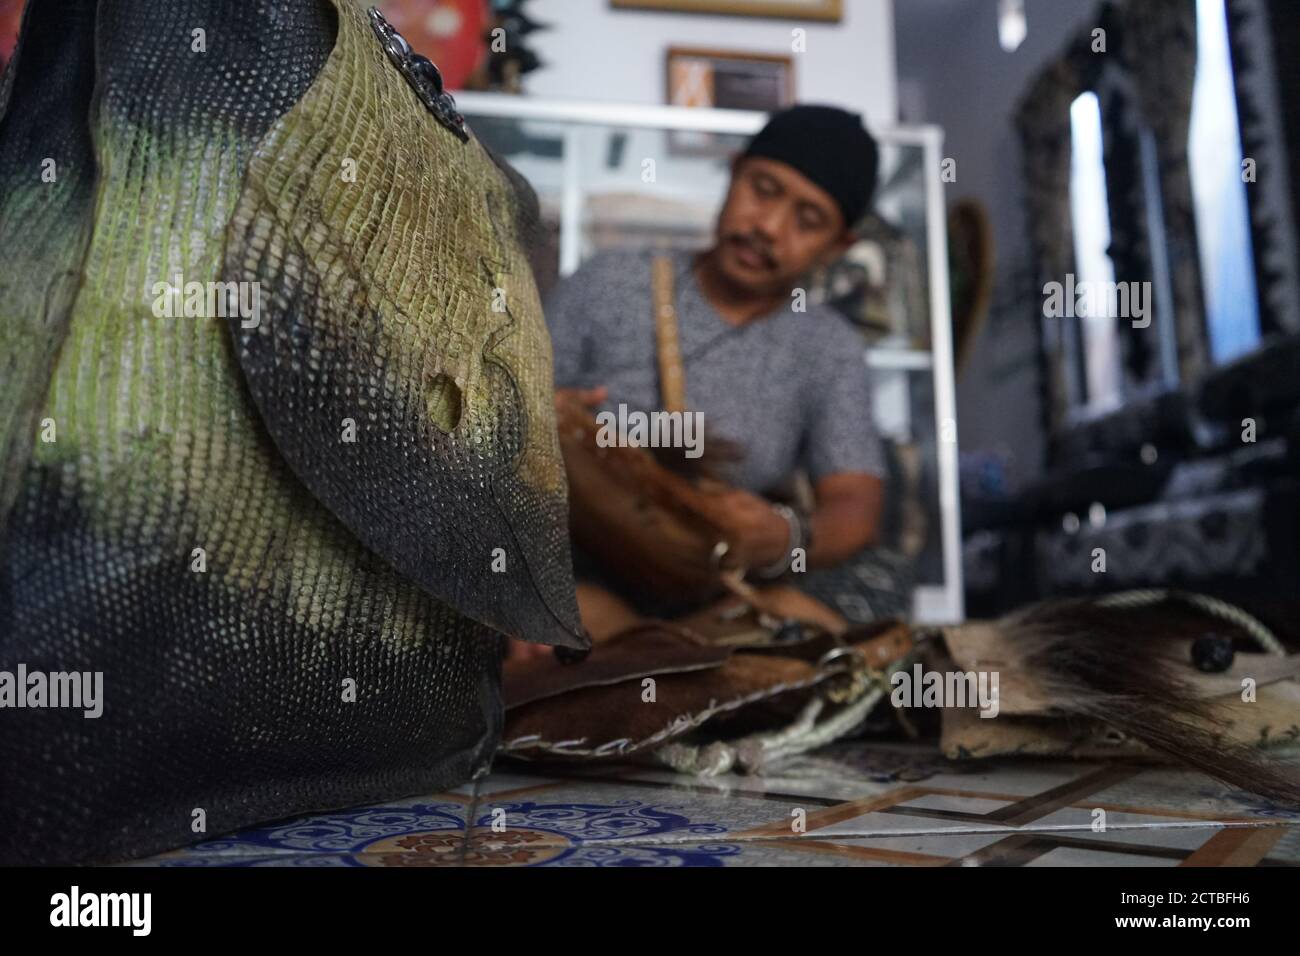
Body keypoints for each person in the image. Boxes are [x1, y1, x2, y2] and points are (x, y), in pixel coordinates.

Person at [533, 104, 910, 654]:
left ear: (837, 248)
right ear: (733, 173)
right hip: (589, 551)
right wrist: (552, 418)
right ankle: (702, 653)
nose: (769, 227)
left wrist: (784, 536)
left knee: (884, 577)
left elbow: (855, 502)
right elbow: (502, 417)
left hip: (720, 574)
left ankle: (649, 647)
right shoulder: (610, 282)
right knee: (494, 561)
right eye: (763, 189)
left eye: (808, 221)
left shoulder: (826, 345)